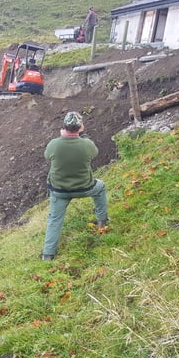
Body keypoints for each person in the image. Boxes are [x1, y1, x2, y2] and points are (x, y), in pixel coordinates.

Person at [42, 111, 109, 260]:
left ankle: (48, 254)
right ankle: (102, 222)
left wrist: (62, 137)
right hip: (85, 187)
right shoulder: (87, 144)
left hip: (59, 191)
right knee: (101, 187)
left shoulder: (54, 144)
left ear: (63, 127)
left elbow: (47, 156)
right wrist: (82, 136)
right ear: (81, 127)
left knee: (54, 219)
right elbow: (94, 153)